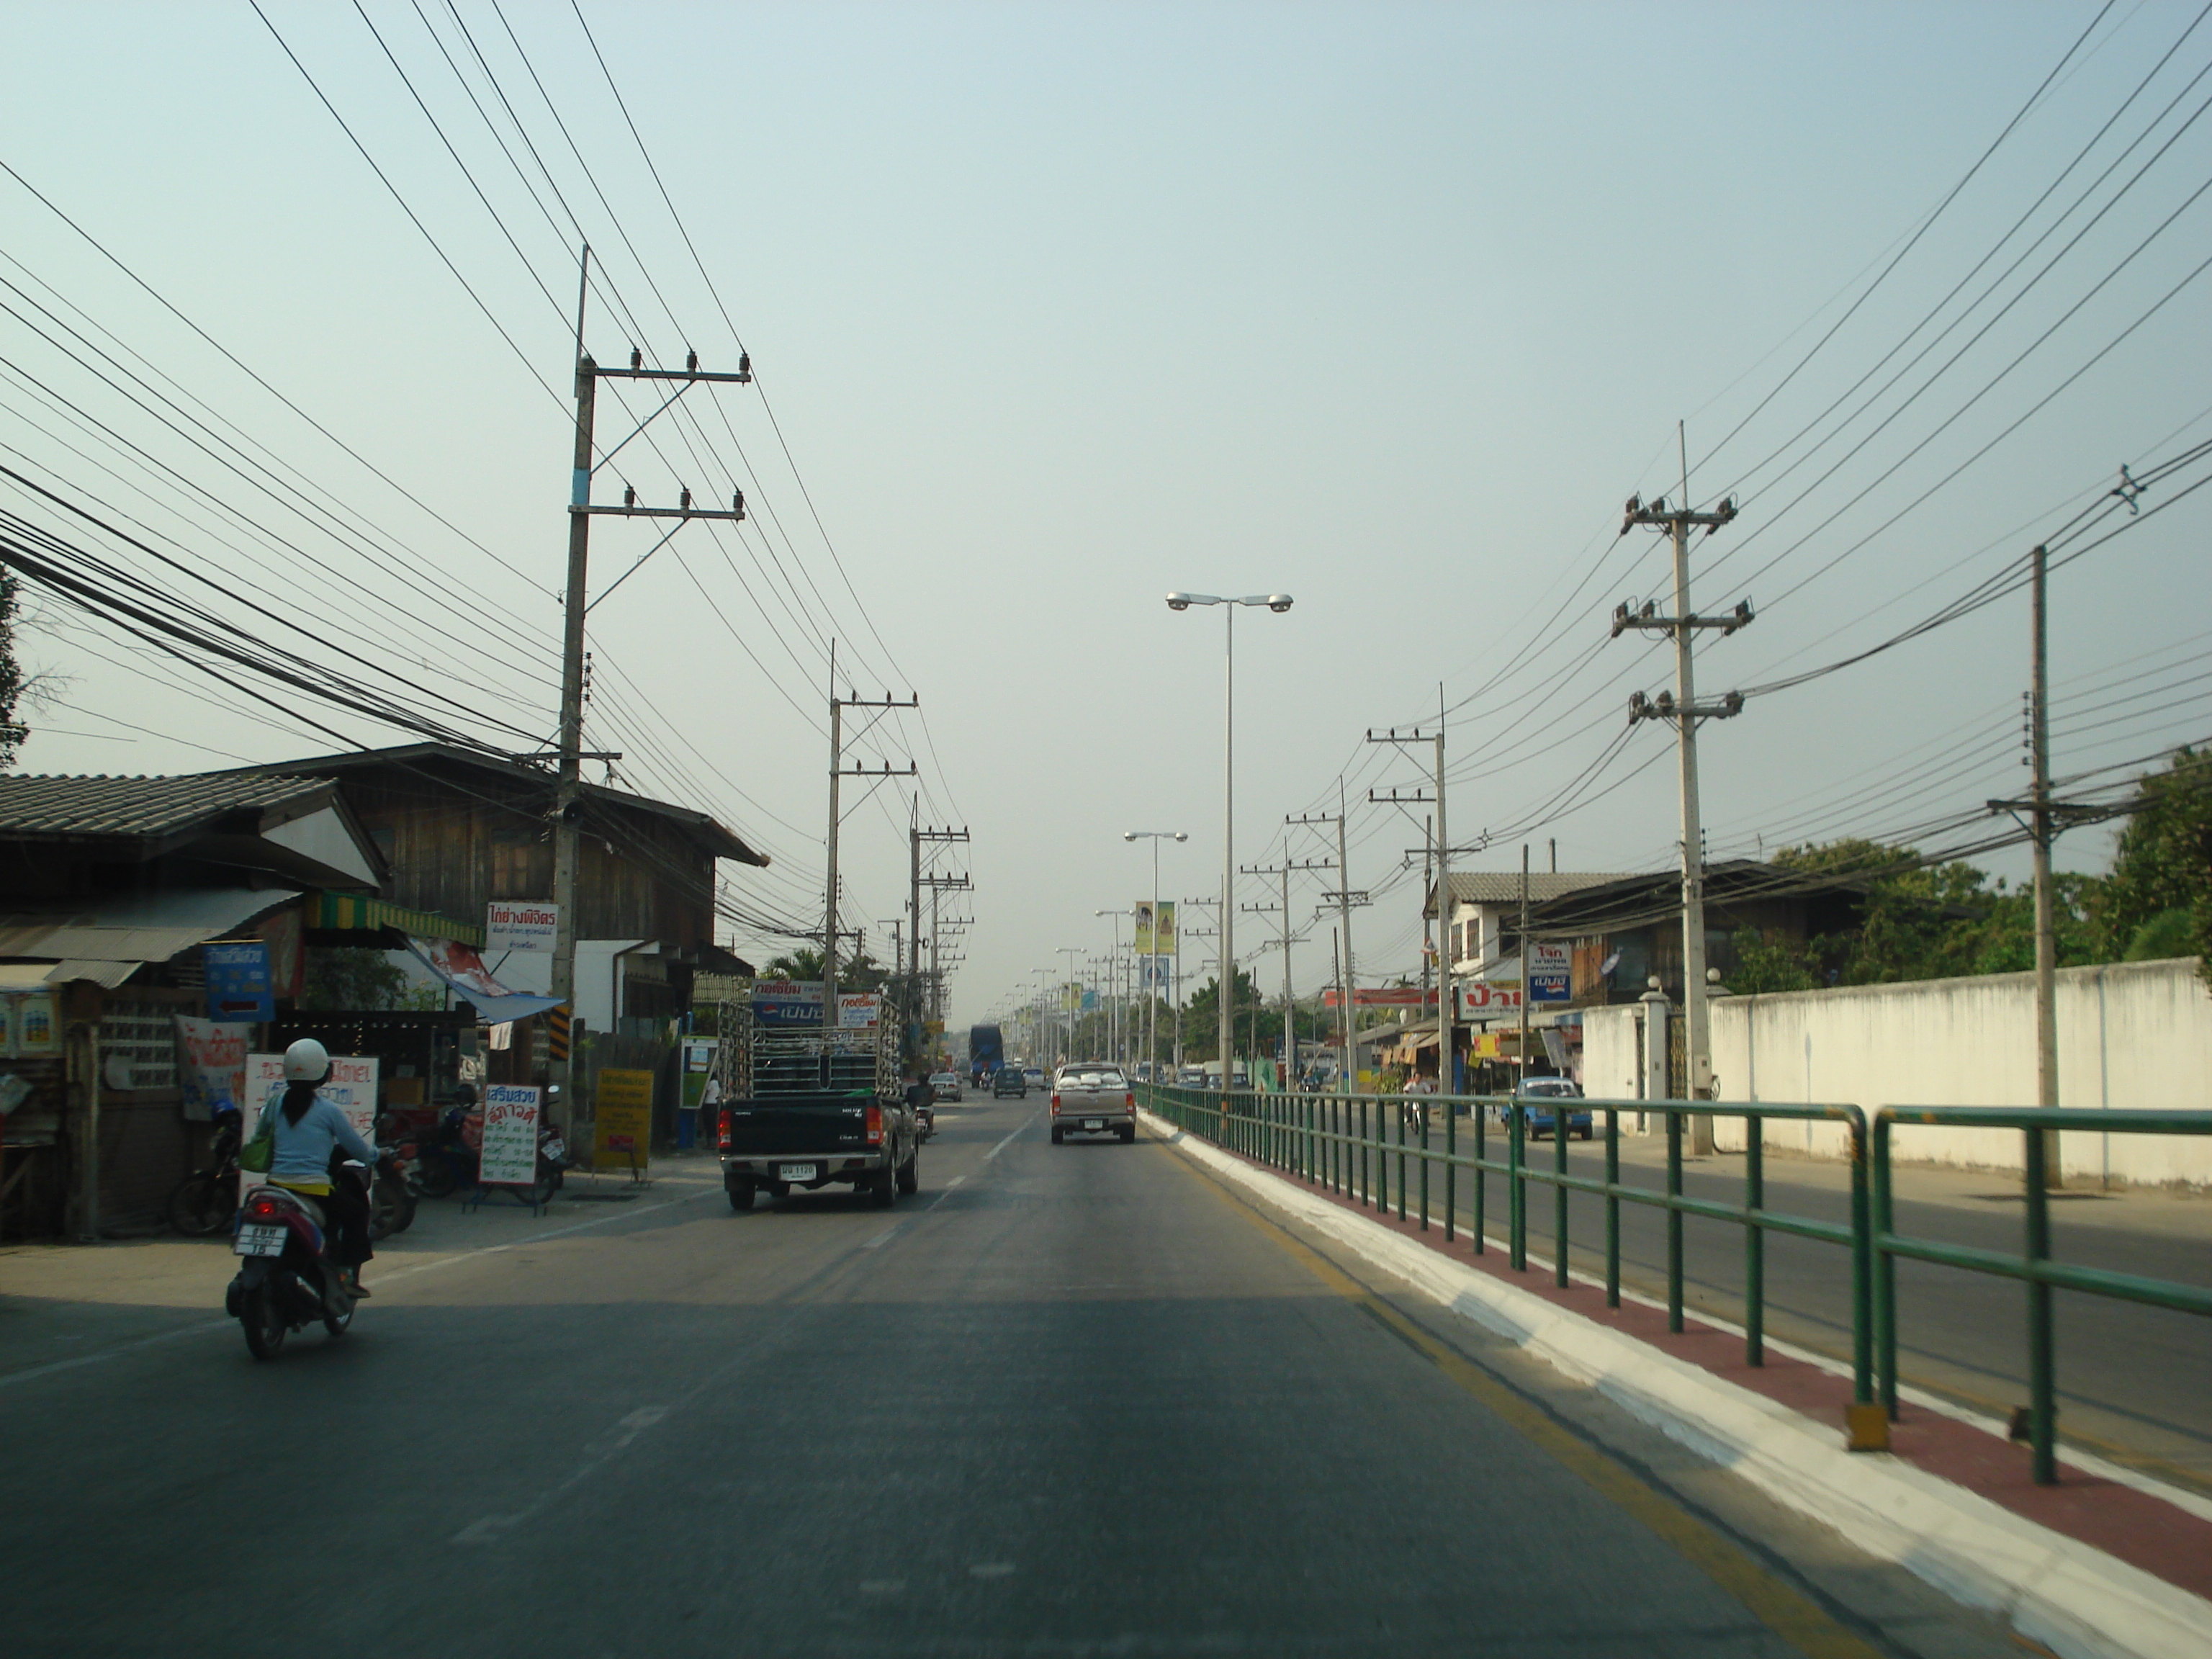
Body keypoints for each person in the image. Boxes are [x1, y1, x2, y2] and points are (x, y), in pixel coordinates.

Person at [258, 1037, 378, 1297]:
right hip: (315, 1192)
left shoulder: (273, 1105)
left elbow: (259, 1138)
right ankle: (347, 1276)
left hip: (275, 1187)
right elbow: (357, 1148)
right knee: (357, 1213)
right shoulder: (328, 1110)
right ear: (323, 1073)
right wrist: (373, 1156)